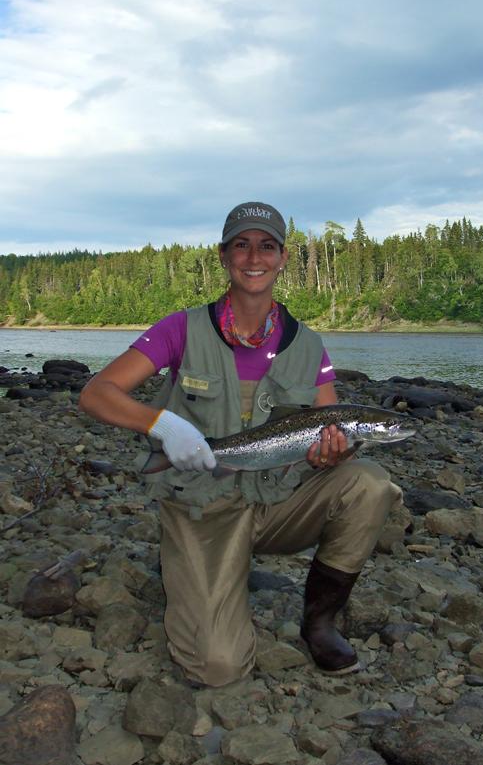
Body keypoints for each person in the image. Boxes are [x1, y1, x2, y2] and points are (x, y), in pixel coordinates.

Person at [79, 201, 402, 687]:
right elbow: (96, 393)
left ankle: (319, 623)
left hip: (277, 501)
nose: (255, 257)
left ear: (283, 257)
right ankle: (195, 571)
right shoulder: (181, 328)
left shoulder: (309, 345)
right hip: (203, 508)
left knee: (369, 485)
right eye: (242, 245)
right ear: (224, 255)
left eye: (267, 246)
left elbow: (329, 421)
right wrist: (163, 426)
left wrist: (332, 453)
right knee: (218, 667)